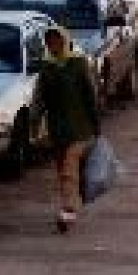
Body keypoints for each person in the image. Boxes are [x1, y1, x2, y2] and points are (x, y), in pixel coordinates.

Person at [36, 27, 101, 234]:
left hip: (80, 129)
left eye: (57, 41)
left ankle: (68, 210)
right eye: (49, 42)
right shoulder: (47, 68)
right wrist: (35, 123)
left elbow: (90, 96)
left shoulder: (78, 64)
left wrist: (96, 125)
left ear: (65, 42)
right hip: (58, 130)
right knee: (64, 170)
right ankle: (73, 198)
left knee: (69, 169)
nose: (53, 46)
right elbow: (40, 99)